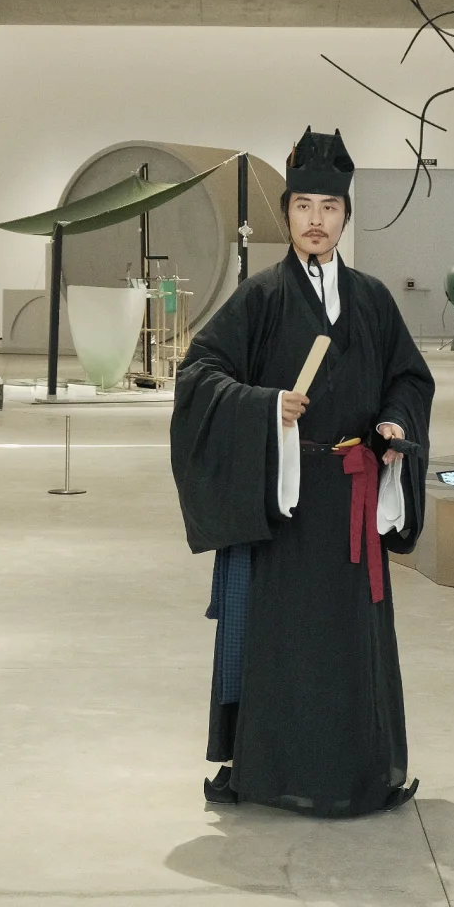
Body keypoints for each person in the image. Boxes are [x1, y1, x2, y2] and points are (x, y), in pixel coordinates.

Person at [170, 128, 435, 818]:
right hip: (288, 510)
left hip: (351, 500)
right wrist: (266, 407)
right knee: (286, 642)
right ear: (286, 213)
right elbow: (199, 376)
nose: (316, 220)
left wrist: (394, 424)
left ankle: (356, 769)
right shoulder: (259, 298)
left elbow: (409, 378)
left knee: (349, 642)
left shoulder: (372, 300)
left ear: (346, 216)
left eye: (330, 207)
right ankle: (276, 770)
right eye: (303, 206)